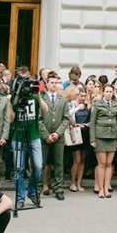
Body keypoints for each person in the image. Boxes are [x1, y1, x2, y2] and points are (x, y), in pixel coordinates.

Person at [9, 68, 44, 208]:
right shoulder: (16, 96)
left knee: (38, 165)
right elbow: (11, 119)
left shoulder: (34, 95)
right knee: (19, 169)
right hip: (18, 136)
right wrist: (10, 101)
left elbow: (45, 110)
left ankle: (32, 191)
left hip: (34, 135)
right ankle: (20, 198)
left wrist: (39, 96)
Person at [39, 72, 69, 201]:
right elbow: (38, 119)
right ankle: (38, 188)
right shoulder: (41, 98)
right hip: (44, 136)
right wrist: (46, 135)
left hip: (58, 136)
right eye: (51, 82)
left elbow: (66, 119)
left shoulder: (63, 99)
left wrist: (58, 133)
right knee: (41, 163)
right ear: (46, 83)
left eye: (56, 83)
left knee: (58, 163)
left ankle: (58, 188)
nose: (54, 85)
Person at [89, 83, 117, 198]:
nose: (109, 94)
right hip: (100, 136)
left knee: (109, 164)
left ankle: (106, 188)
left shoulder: (115, 104)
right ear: (103, 93)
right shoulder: (97, 104)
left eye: (110, 92)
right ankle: (100, 189)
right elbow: (92, 123)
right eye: (107, 92)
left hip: (112, 136)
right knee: (101, 163)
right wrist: (92, 139)